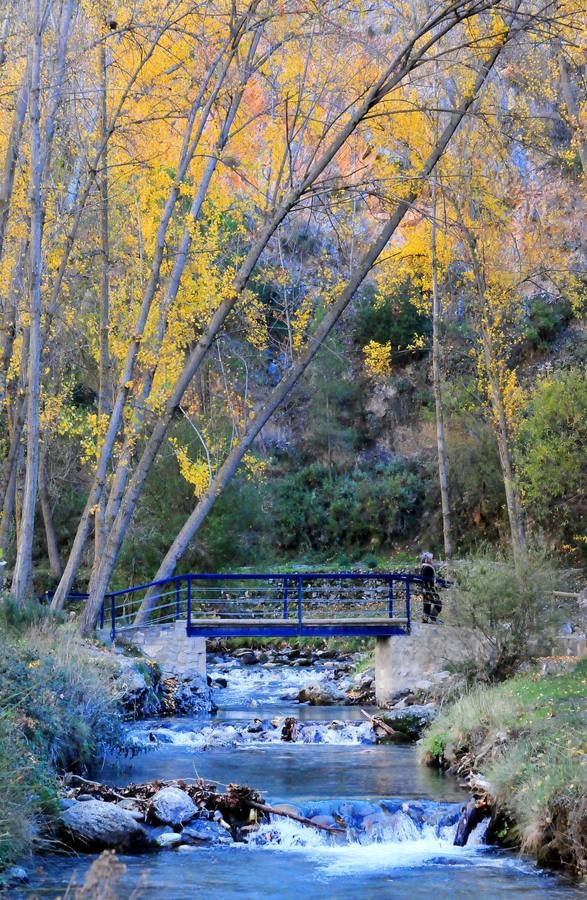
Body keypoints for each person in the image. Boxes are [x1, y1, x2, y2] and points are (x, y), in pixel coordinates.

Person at [420, 551, 442, 623]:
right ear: (426, 560)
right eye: (430, 559)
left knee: (427, 605)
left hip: (424, 589)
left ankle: (425, 620)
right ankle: (433, 618)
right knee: (438, 603)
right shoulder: (428, 568)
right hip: (429, 589)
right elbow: (429, 580)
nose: (432, 560)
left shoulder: (423, 567)